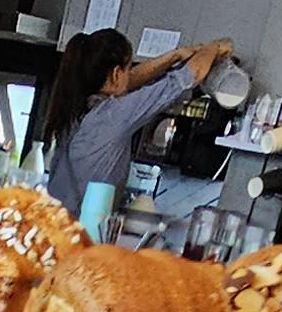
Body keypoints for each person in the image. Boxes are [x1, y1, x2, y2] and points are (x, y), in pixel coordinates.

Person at [39, 27, 231, 220]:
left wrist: (174, 56)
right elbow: (189, 76)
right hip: (80, 229)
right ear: (116, 74)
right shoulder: (111, 115)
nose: (130, 73)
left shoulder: (77, 106)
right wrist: (215, 47)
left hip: (52, 223)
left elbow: (128, 81)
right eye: (128, 67)